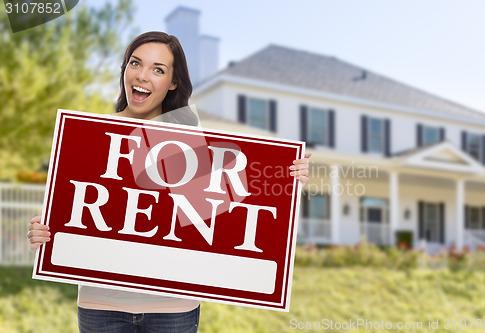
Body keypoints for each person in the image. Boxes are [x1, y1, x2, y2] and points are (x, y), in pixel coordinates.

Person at [27, 31, 311, 332]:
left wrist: (285, 180)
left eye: (158, 69)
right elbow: (68, 218)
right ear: (125, 68)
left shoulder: (194, 141)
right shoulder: (86, 136)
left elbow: (222, 215)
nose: (143, 76)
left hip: (172, 310)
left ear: (173, 82)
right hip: (101, 306)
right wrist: (43, 234)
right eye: (136, 63)